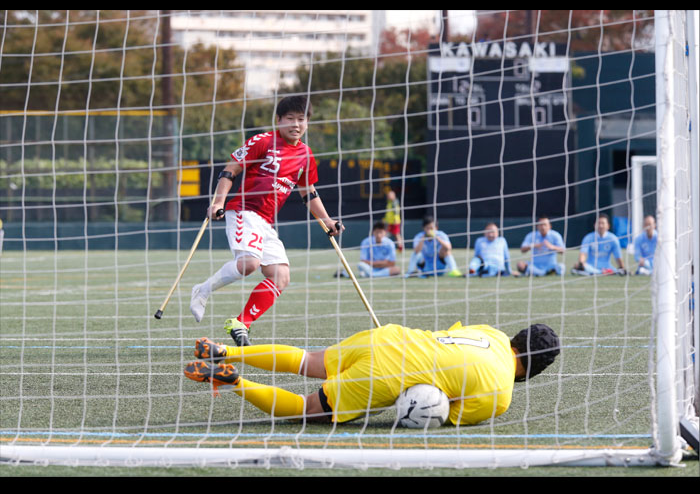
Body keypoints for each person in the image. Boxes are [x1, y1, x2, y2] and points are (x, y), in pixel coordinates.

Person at [184, 321, 560, 426]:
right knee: (304, 408)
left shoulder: (491, 333)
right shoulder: (500, 398)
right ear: (536, 370)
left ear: (517, 338)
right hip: (386, 376)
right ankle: (233, 381)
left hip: (391, 337)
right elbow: (443, 411)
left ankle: (227, 350)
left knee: (306, 361)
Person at [189, 95, 343, 346]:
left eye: (301, 119)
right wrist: (218, 202)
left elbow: (309, 193)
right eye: (290, 119)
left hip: (266, 222)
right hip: (243, 211)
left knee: (280, 276)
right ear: (279, 120)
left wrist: (327, 220)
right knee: (249, 263)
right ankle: (202, 290)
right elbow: (230, 170)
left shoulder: (305, 154)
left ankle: (241, 323)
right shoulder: (263, 141)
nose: (296, 124)